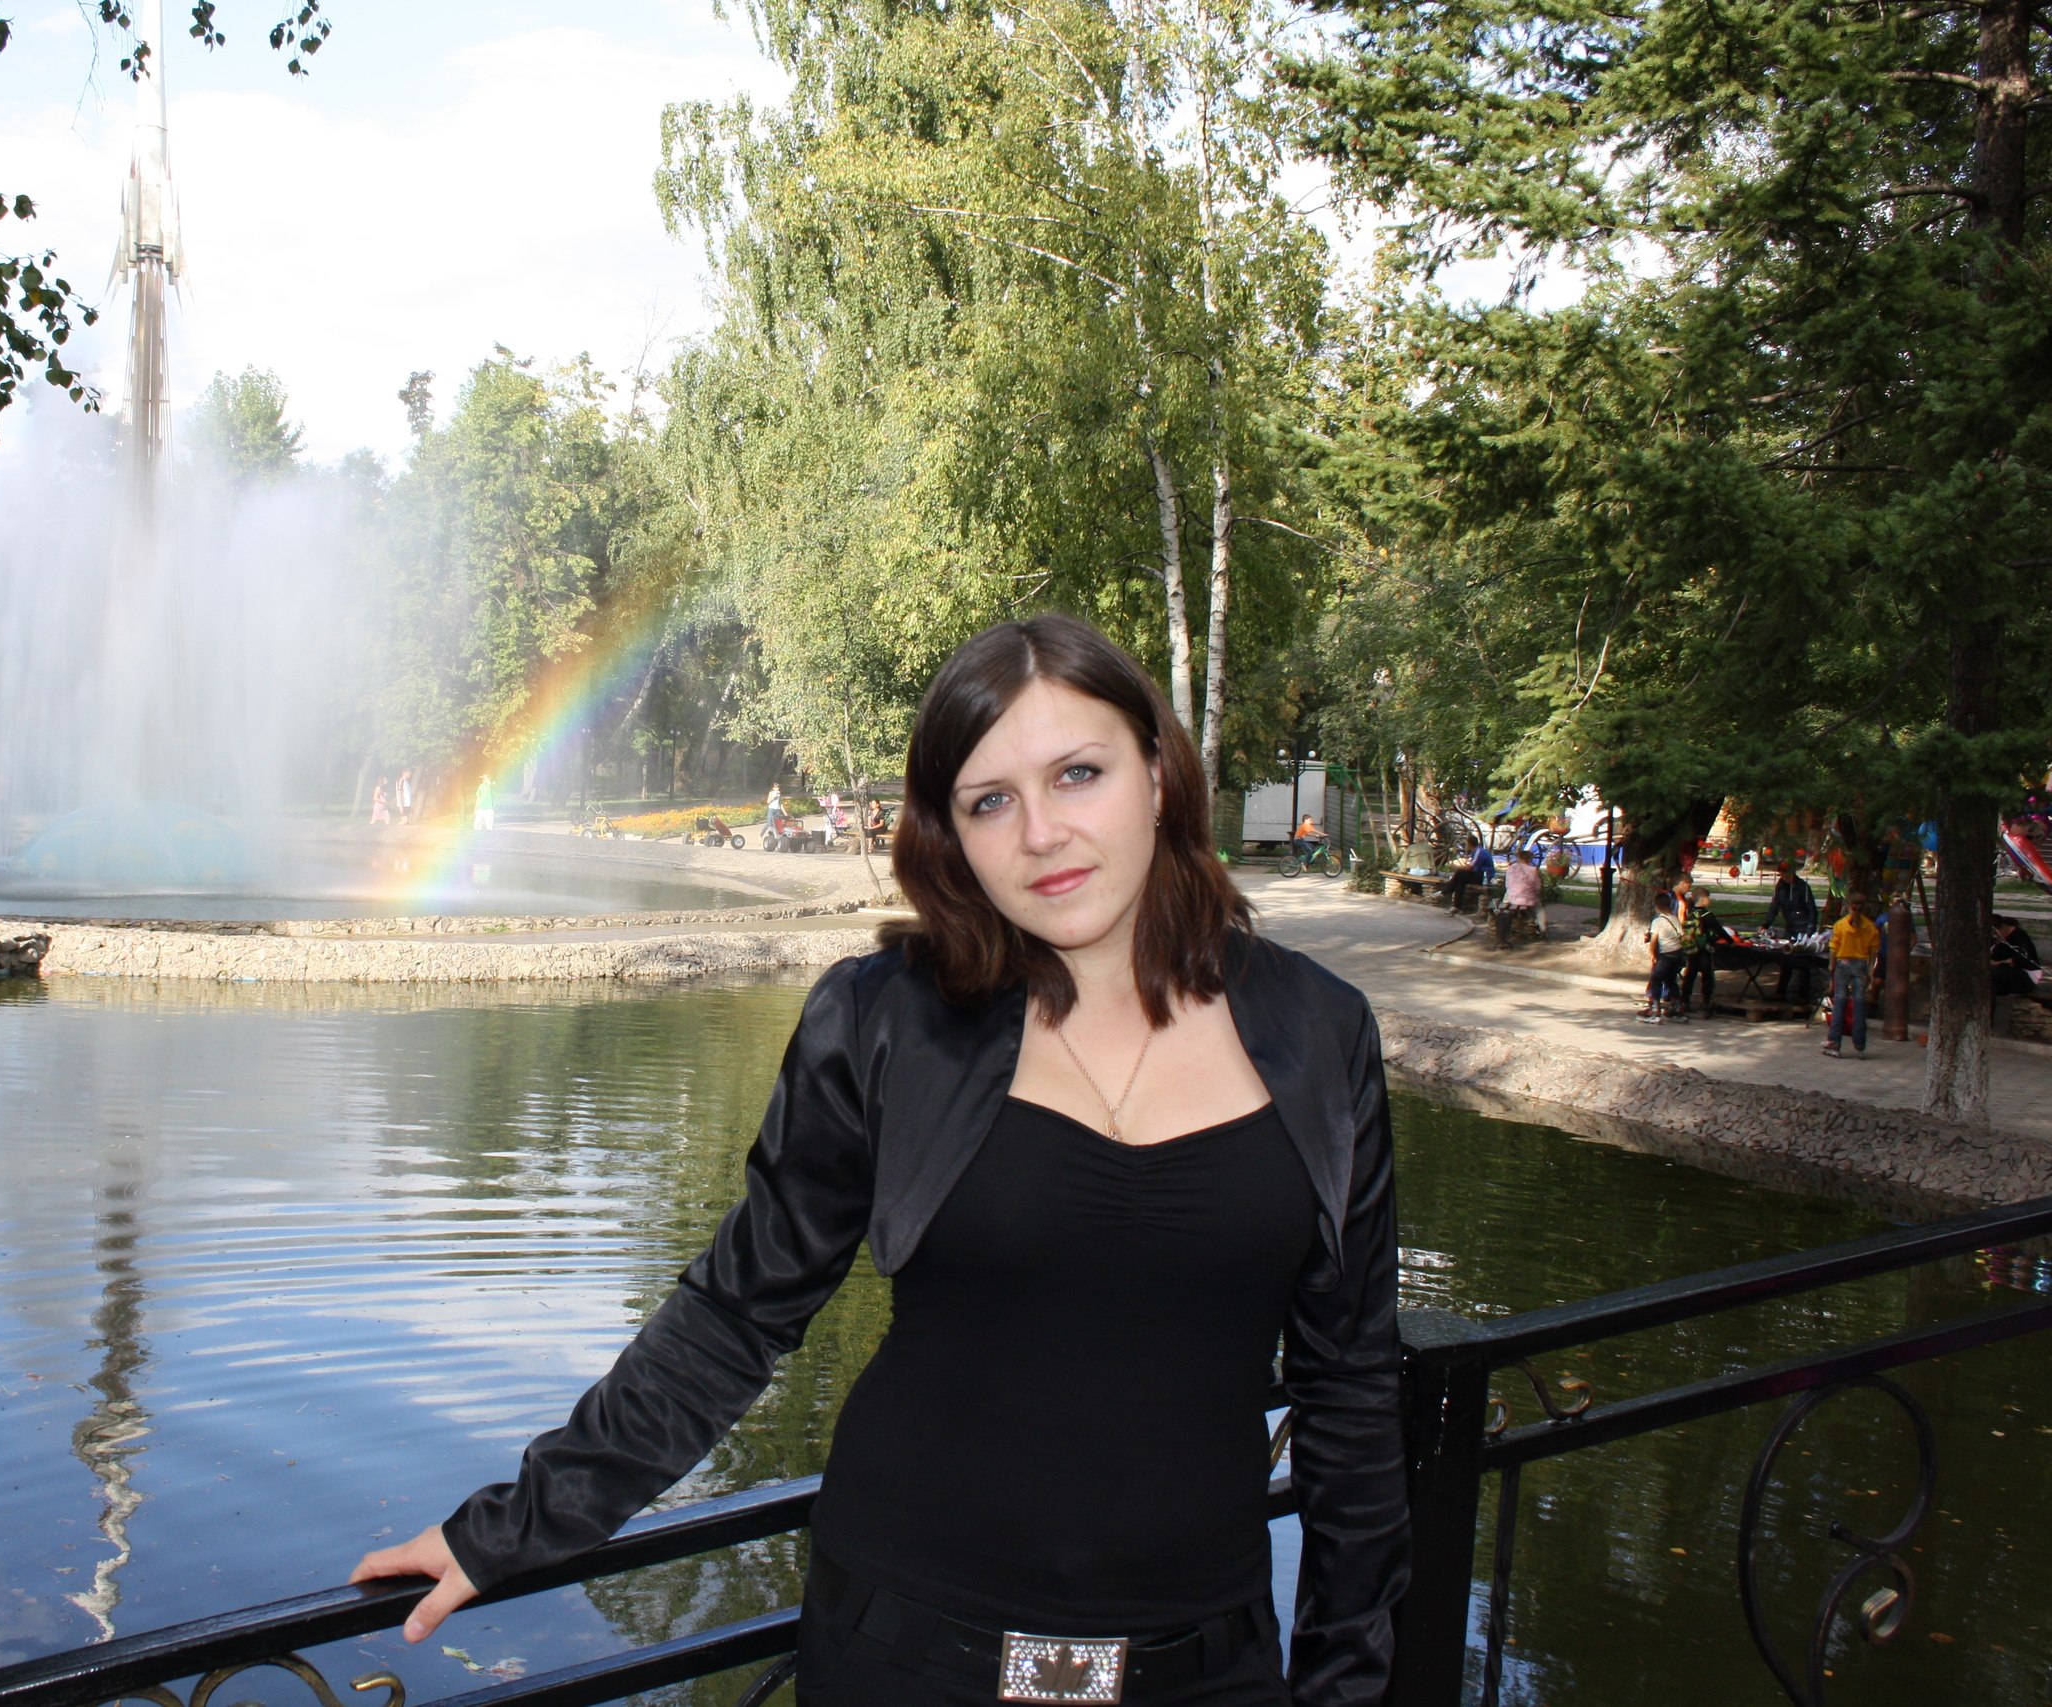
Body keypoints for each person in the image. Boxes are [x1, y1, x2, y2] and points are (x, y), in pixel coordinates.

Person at [351, 615, 1408, 1706]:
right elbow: (737, 1312)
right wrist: (519, 1523)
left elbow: (1351, 1391)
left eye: (1077, 774)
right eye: (989, 801)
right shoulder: (884, 1021)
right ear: (951, 837)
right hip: (904, 1650)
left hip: (1207, 1667)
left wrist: (1347, 1684)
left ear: (1157, 773)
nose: (1041, 833)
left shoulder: (1319, 1034)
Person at [1823, 894, 1879, 1058]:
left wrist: (1831, 968)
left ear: (1848, 906)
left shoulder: (1840, 925)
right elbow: (1873, 952)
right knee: (1859, 1003)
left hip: (1843, 965)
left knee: (1839, 1002)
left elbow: (1834, 948)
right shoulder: (1870, 927)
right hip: (1860, 966)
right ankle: (1859, 1041)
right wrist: (1870, 972)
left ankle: (1834, 1042)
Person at [1678, 886, 1733, 1016]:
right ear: (1703, 900)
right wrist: (1730, 941)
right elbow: (1719, 930)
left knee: (1690, 974)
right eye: (1708, 898)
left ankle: (1684, 1000)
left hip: (1692, 949)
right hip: (1704, 949)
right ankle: (1706, 1001)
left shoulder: (1690, 913)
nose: (1709, 901)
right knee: (1707, 975)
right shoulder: (1707, 915)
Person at [1642, 893, 1687, 1022]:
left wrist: (1653, 955)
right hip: (1677, 954)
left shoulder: (1657, 921)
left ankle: (1655, 1008)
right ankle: (1677, 1007)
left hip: (1665, 955)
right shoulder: (1675, 919)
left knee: (1656, 979)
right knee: (1671, 981)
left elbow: (1653, 941)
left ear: (1657, 906)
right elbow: (1682, 936)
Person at [1990, 915, 2043, 1008]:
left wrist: (1998, 963)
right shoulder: (2000, 939)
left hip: (2027, 976)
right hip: (2009, 974)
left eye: (1996, 933)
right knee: (1992, 985)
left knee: (1994, 974)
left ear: (2003, 927)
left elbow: (2023, 959)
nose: (1996, 936)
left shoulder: (2019, 937)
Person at [1499, 850, 1544, 936]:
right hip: (1528, 899)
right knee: (1538, 909)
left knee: (1507, 896)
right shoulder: (1533, 870)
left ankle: (1509, 923)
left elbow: (1507, 885)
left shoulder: (1511, 868)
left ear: (1518, 858)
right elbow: (1537, 887)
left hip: (1512, 898)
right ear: (1529, 859)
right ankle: (1542, 928)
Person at [1442, 841, 1495, 913]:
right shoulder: (1476, 851)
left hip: (1484, 877)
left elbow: (1470, 868)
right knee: (1460, 881)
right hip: (1479, 874)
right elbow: (1471, 866)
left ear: (1469, 844)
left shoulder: (1479, 852)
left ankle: (1445, 892)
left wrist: (1456, 867)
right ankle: (1456, 906)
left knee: (1460, 873)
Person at [1767, 861, 1816, 938]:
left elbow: (1812, 909)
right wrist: (1766, 924)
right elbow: (1774, 906)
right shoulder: (1780, 886)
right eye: (1782, 875)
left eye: (1787, 875)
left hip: (1803, 926)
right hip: (1790, 926)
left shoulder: (1803, 887)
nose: (1785, 878)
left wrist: (1810, 927)